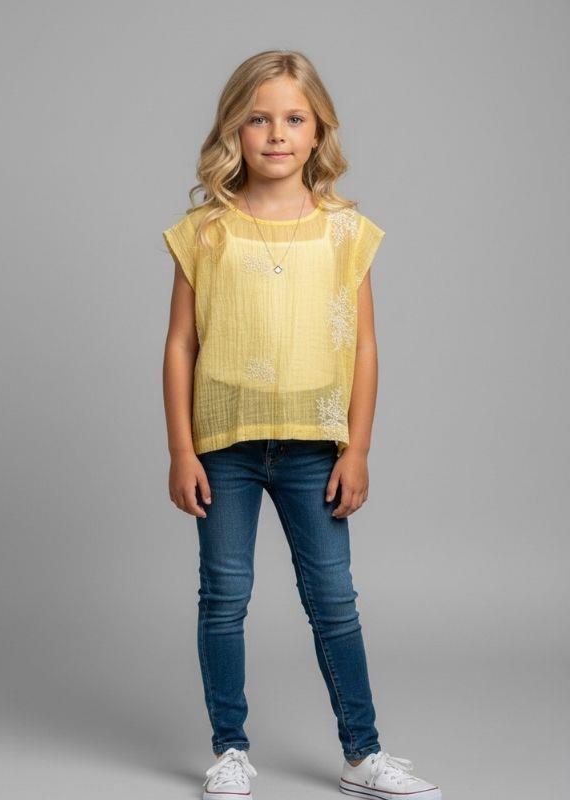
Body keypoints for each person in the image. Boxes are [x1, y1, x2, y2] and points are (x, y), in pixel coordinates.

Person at [162, 50, 441, 800]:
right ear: (235, 129)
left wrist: (358, 448)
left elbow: (365, 344)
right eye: (258, 119)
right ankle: (229, 749)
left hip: (316, 445)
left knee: (333, 599)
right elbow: (182, 344)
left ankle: (363, 753)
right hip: (224, 446)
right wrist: (182, 449)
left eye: (293, 119)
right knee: (225, 597)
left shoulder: (346, 232)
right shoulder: (205, 231)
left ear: (318, 132)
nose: (277, 133)